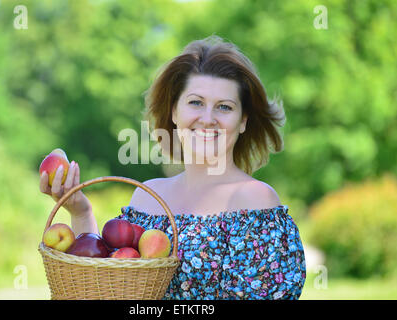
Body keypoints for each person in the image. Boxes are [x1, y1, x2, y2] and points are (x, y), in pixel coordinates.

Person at [39, 35, 306, 300]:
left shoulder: (253, 200)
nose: (208, 118)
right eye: (195, 102)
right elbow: (109, 285)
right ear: (174, 113)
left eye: (224, 107)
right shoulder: (147, 197)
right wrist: (80, 210)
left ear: (243, 121)